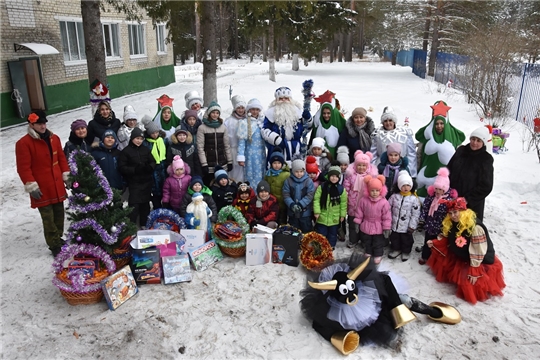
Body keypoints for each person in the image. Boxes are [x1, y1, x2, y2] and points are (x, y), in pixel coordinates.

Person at [426, 197, 505, 304]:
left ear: (463, 212)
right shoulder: (452, 222)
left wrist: (474, 269)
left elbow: (478, 250)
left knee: (467, 283)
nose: (453, 216)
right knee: (443, 262)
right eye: (450, 213)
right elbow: (448, 239)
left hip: (478, 258)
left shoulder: (476, 227)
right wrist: (435, 242)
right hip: (463, 254)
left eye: (455, 212)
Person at [16, 110, 70, 256]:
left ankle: (58, 238)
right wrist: (31, 185)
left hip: (56, 184)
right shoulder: (24, 143)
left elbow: (62, 159)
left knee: (59, 213)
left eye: (44, 123)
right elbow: (23, 167)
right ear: (31, 125)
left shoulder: (55, 138)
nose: (43, 126)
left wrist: (66, 175)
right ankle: (53, 244)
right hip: (41, 187)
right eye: (39, 124)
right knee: (48, 217)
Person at [415, 101, 465, 198]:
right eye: (437, 124)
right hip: (426, 177)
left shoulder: (453, 135)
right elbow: (419, 155)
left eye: (442, 123)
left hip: (445, 180)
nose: (439, 126)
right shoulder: (427, 134)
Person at [446, 126, 493, 222]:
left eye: (478, 140)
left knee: (466, 230)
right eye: (473, 139)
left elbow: (486, 186)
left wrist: (467, 199)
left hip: (471, 205)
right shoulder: (461, 151)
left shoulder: (485, 159)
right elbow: (448, 169)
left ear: (483, 142)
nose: (475, 143)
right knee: (450, 228)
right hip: (453, 198)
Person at [261, 86, 312, 165]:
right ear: (276, 100)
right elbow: (264, 130)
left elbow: (306, 129)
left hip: (296, 148)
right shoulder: (271, 113)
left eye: (286, 98)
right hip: (278, 148)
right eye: (281, 99)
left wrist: (308, 119)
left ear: (290, 99)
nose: (284, 100)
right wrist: (276, 139)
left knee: (296, 171)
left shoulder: (297, 112)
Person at [417, 167, 458, 265]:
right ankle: (425, 256)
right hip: (430, 224)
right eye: (436, 189)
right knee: (427, 241)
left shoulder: (449, 200)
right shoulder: (431, 196)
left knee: (438, 243)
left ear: (445, 189)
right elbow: (426, 208)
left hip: (441, 225)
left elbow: (449, 212)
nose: (438, 191)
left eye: (441, 189)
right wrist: (423, 218)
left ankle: (434, 259)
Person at [119, 128, 156, 228]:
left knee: (145, 205)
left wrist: (150, 167)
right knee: (134, 206)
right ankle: (131, 226)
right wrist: (134, 170)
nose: (139, 141)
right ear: (132, 138)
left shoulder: (145, 150)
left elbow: (153, 161)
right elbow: (122, 167)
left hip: (146, 181)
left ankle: (144, 224)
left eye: (141, 139)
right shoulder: (126, 151)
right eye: (137, 138)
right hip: (134, 183)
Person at [353, 175, 391, 265]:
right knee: (367, 241)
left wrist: (386, 227)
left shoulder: (384, 202)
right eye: (372, 190)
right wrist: (357, 222)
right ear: (368, 190)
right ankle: (369, 252)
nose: (374, 193)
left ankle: (378, 254)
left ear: (381, 190)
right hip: (366, 224)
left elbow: (387, 216)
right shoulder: (363, 200)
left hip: (378, 226)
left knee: (378, 242)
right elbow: (359, 212)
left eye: (377, 191)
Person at [343, 151, 378, 248]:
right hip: (353, 204)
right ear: (355, 165)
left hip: (365, 205)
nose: (361, 167)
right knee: (352, 223)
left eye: (364, 165)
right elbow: (346, 188)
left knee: (364, 224)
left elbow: (374, 190)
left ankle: (364, 241)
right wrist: (346, 198)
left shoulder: (371, 177)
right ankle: (353, 240)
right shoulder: (350, 176)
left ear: (368, 166)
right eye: (359, 165)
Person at [370, 106, 417, 177]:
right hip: (383, 169)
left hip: (402, 168)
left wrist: (411, 174)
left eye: (390, 120)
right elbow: (373, 155)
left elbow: (411, 154)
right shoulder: (377, 134)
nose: (388, 123)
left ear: (394, 121)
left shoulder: (404, 132)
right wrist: (373, 173)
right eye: (385, 121)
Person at [196, 101, 233, 186]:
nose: (215, 115)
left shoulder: (223, 127)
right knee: (210, 184)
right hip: (209, 163)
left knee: (222, 185)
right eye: (213, 112)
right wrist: (204, 164)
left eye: (217, 113)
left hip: (221, 162)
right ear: (209, 113)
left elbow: (226, 146)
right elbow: (200, 148)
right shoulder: (202, 128)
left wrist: (229, 161)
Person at [387, 171, 421, 262]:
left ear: (411, 186)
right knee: (395, 238)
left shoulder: (414, 199)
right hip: (395, 224)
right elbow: (388, 208)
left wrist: (412, 225)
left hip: (407, 226)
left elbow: (415, 214)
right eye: (403, 185)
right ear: (399, 186)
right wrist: (388, 221)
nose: (405, 188)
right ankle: (396, 249)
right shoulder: (394, 197)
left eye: (408, 185)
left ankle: (406, 251)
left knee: (406, 240)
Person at [313, 165, 348, 249]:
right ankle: (321, 246)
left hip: (334, 217)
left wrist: (342, 215)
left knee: (332, 233)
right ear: (328, 176)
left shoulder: (341, 190)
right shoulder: (322, 187)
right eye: (332, 176)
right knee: (321, 233)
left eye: (336, 176)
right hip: (322, 215)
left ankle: (331, 246)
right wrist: (317, 211)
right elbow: (316, 199)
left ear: (339, 178)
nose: (334, 178)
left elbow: (343, 203)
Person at [238, 98, 267, 190]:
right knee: (251, 174)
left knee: (262, 173)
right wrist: (241, 156)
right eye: (253, 109)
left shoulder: (262, 122)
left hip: (261, 154)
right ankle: (252, 193)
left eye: (257, 110)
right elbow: (241, 142)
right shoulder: (244, 123)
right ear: (249, 110)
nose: (255, 112)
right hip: (250, 154)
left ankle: (262, 192)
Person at [282, 157, 315, 233]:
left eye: (301, 171)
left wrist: (301, 204)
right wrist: (292, 204)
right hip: (292, 212)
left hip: (305, 213)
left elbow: (310, 195)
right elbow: (286, 194)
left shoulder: (308, 181)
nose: (299, 173)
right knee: (294, 231)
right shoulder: (288, 181)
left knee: (306, 230)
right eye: (296, 171)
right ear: (292, 171)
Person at [143, 121, 168, 209]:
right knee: (155, 194)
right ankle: (157, 209)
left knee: (165, 192)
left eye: (156, 132)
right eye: (153, 133)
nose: (155, 135)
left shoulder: (163, 140)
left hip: (163, 169)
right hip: (153, 171)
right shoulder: (146, 143)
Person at [225, 95, 248, 182]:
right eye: (238, 108)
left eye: (242, 108)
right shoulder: (229, 121)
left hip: (245, 150)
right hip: (233, 149)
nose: (241, 110)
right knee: (234, 171)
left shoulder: (248, 120)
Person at [264, 150, 290, 225]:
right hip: (272, 202)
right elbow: (266, 185)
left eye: (279, 163)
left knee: (282, 219)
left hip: (283, 202)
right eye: (274, 163)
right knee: (273, 219)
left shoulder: (286, 174)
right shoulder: (268, 173)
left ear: (282, 164)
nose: (277, 165)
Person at [335, 148, 350, 241]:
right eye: (341, 165)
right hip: (336, 198)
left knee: (343, 216)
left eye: (345, 165)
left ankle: (343, 232)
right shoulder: (335, 174)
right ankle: (336, 231)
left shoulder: (349, 174)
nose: (343, 167)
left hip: (345, 198)